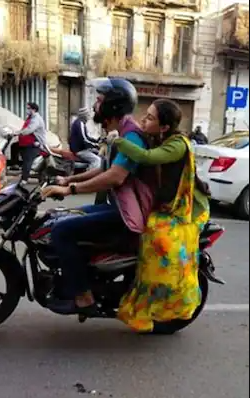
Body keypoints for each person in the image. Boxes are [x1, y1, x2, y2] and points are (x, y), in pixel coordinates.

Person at [41, 78, 154, 315]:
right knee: (61, 217)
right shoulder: (121, 131)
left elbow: (114, 177)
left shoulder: (131, 136)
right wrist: (68, 180)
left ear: (113, 105)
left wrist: (70, 190)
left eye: (99, 101)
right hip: (118, 207)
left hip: (126, 215)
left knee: (61, 231)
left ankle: (84, 297)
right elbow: (103, 168)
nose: (95, 106)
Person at [114, 99, 211, 332]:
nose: (144, 120)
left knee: (159, 243)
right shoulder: (158, 138)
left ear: (165, 126)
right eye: (145, 115)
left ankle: (162, 300)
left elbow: (148, 158)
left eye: (150, 117)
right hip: (164, 207)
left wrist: (117, 141)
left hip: (182, 212)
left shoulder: (177, 143)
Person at [17, 102, 47, 185]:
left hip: (33, 144)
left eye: (28, 108)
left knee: (27, 161)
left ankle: (24, 179)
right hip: (25, 143)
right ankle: (19, 170)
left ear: (33, 109)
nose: (27, 110)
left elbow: (30, 129)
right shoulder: (30, 117)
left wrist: (18, 133)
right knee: (15, 148)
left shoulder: (36, 119)